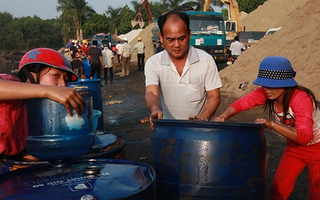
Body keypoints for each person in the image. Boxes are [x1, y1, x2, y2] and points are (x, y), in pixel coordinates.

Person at [214, 56, 320, 199]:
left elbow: (305, 137)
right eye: (264, 85)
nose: (267, 89)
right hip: (294, 148)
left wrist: (272, 124)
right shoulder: (266, 93)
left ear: (286, 83)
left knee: (316, 192)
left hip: (317, 148)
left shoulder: (301, 98)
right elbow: (241, 104)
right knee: (278, 189)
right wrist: (224, 116)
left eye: (271, 85)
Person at [0, 48, 85, 161]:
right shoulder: (11, 86)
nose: (63, 84)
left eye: (65, 79)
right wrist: (47, 90)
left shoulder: (38, 108)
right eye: (56, 75)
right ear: (33, 76)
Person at [145, 11, 222, 130]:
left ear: (189, 34)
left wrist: (203, 117)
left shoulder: (206, 60)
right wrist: (154, 108)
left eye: (181, 38)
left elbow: (214, 96)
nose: (177, 45)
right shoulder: (153, 63)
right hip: (169, 131)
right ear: (161, 38)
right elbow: (151, 92)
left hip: (201, 130)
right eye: (170, 40)